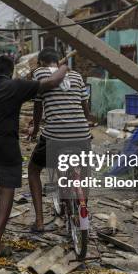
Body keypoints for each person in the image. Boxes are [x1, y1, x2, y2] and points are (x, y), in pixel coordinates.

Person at [0, 55, 69, 256]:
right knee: (7, 189)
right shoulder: (17, 86)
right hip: (7, 146)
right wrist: (64, 67)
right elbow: (52, 82)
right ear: (11, 71)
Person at [27, 47, 96, 232]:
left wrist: (34, 129)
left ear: (41, 62)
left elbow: (38, 106)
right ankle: (84, 208)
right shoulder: (76, 76)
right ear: (58, 61)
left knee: (33, 170)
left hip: (55, 136)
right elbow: (85, 107)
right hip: (81, 134)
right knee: (84, 172)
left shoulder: (39, 73)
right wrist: (88, 121)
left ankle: (40, 221)